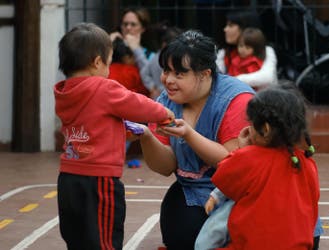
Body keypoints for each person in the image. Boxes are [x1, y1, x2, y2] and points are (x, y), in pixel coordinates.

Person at [54, 23, 174, 249]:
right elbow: (137, 104)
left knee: (77, 238)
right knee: (105, 240)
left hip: (68, 178)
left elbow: (94, 121)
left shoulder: (64, 92)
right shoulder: (104, 88)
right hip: (99, 181)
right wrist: (164, 112)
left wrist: (121, 129)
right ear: (97, 62)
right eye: (109, 62)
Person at [134, 30, 255, 249]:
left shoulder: (236, 99)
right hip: (192, 189)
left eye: (179, 74)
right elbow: (165, 166)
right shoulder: (165, 101)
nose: (168, 80)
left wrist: (189, 135)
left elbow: (235, 163)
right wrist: (146, 136)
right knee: (180, 235)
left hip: (236, 193)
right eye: (166, 71)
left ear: (205, 74)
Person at [195, 84, 322, 250]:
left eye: (251, 123)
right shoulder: (305, 162)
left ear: (265, 129)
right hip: (299, 245)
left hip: (252, 245)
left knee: (204, 242)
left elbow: (225, 178)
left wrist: (242, 149)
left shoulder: (250, 157)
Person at [216, 10, 278, 89]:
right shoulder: (225, 52)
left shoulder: (267, 50)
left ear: (244, 28)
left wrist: (232, 80)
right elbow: (216, 76)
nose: (225, 29)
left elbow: (267, 77)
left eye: (230, 26)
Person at [139, 25, 182, 99]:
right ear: (164, 44)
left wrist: (152, 87)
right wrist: (152, 87)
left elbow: (144, 73)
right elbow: (144, 73)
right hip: (162, 96)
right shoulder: (157, 57)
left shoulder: (157, 56)